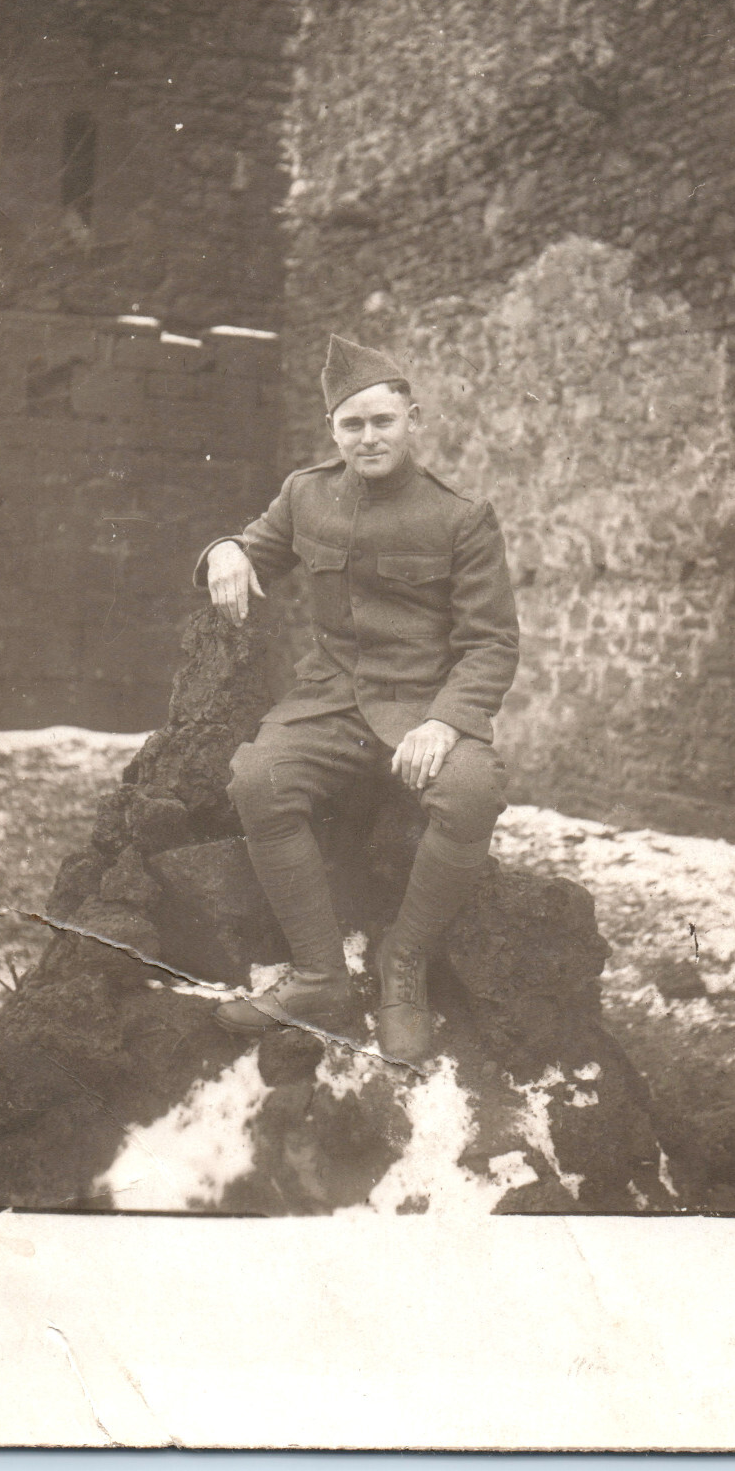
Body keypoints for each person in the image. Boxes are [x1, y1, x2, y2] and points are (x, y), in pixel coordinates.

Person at [195, 334, 519, 1066]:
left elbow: (492, 643)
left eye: (382, 421)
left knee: (471, 793)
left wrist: (444, 721)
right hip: (330, 703)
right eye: (352, 425)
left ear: (413, 419)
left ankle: (402, 967)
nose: (367, 438)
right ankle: (317, 977)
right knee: (258, 779)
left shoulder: (461, 517)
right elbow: (257, 547)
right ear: (332, 431)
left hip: (424, 708)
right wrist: (223, 549)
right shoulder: (304, 492)